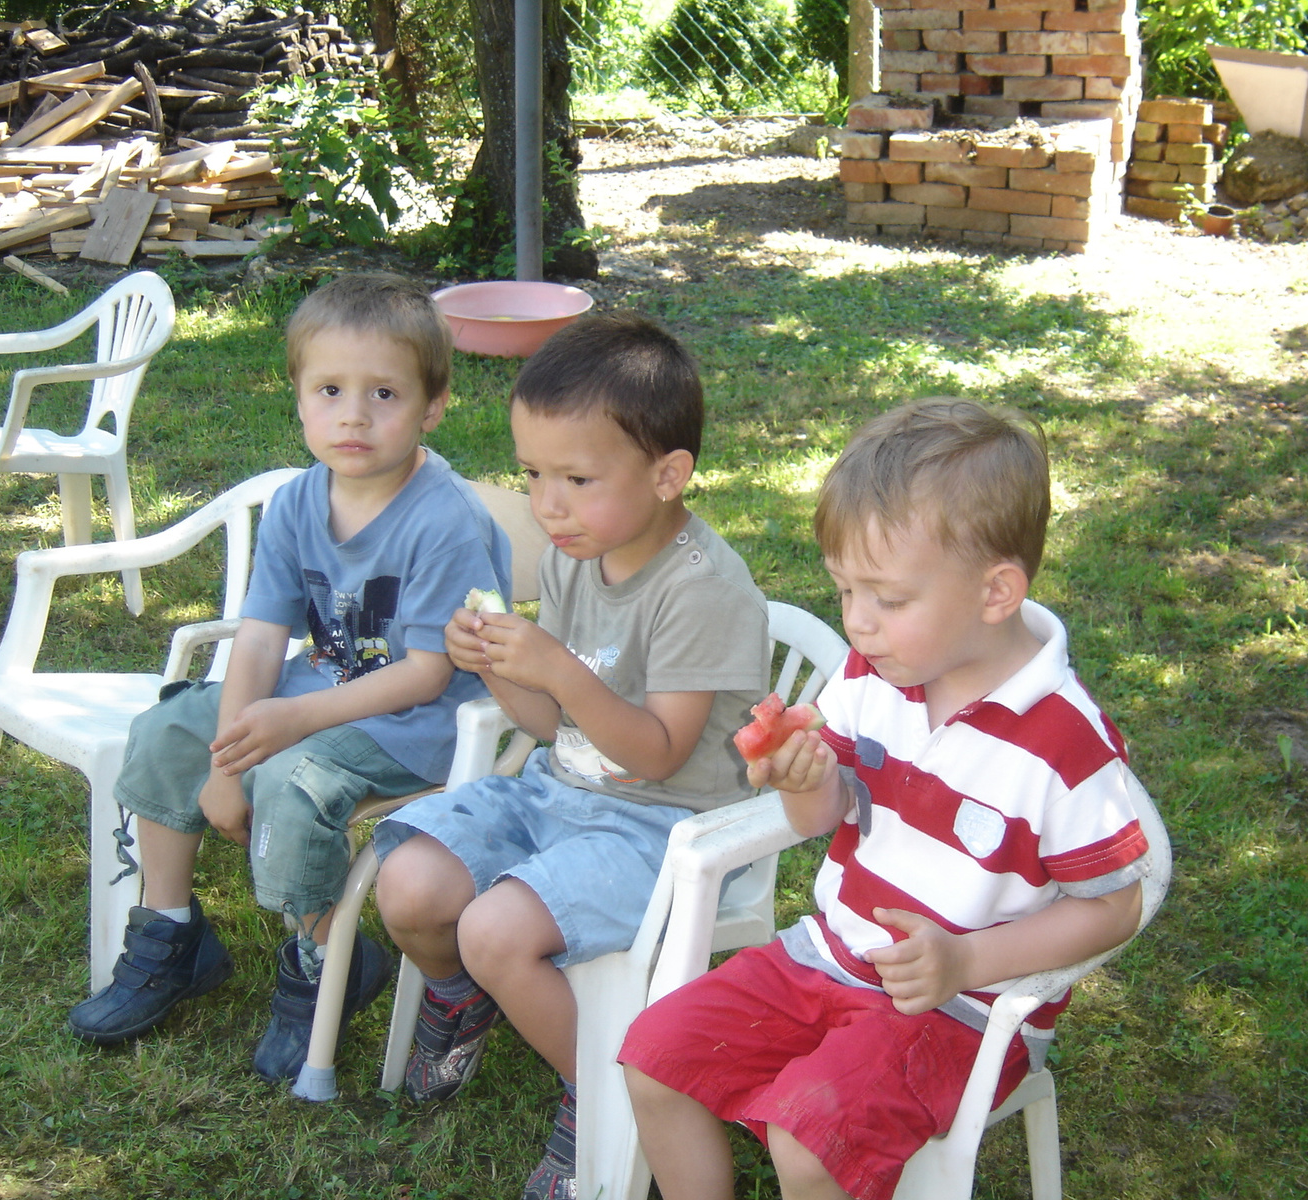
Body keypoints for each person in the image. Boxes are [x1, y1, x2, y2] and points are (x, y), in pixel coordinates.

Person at [620, 398, 1157, 1200]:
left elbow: (1115, 907)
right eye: (844, 592)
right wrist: (809, 782)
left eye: (888, 599)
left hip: (962, 1010)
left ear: (996, 592)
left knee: (808, 1141)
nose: (858, 625)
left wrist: (967, 959)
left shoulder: (1064, 749)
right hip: (830, 955)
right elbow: (821, 819)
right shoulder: (877, 678)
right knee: (653, 1054)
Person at [67, 272, 514, 1087]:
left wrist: (281, 733)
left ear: (433, 405)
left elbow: (423, 676)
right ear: (300, 400)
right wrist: (227, 755)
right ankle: (173, 933)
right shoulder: (299, 501)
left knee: (294, 783)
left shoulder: (445, 520)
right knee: (169, 730)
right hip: (324, 690)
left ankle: (325, 960)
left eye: (384, 393)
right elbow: (262, 639)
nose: (354, 415)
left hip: (419, 722)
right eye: (331, 390)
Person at [372, 312, 769, 1200]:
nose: (548, 505)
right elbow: (554, 728)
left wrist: (556, 669)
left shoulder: (703, 590)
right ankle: (462, 995)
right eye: (533, 475)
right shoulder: (574, 556)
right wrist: (498, 667)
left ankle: (600, 1096)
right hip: (564, 792)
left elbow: (659, 756)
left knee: (493, 930)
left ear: (669, 476)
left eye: (577, 478)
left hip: (667, 833)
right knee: (409, 886)